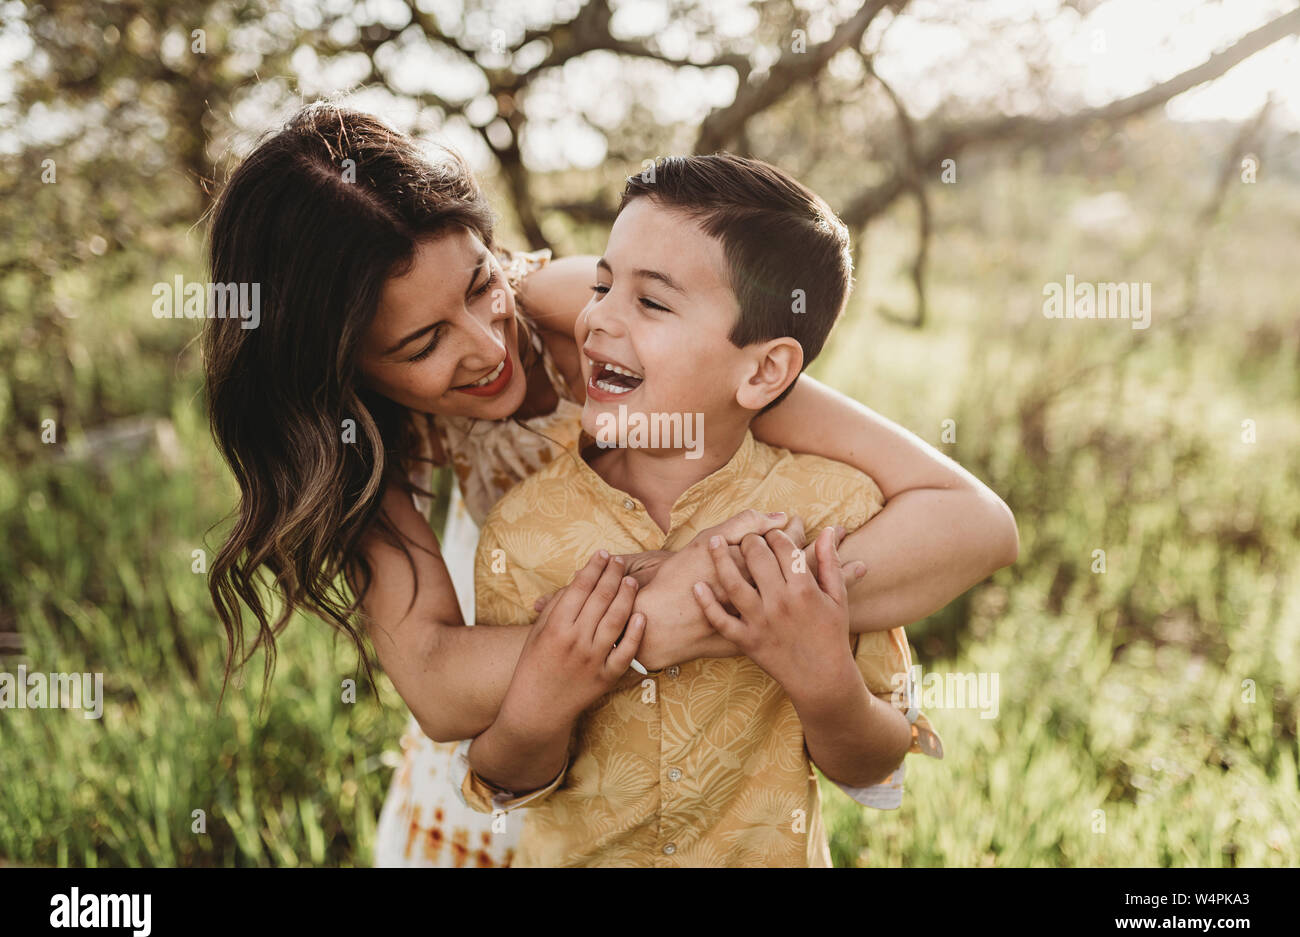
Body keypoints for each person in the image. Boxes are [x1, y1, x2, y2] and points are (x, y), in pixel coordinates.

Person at [201, 103, 1017, 867]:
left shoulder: (601, 316)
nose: (488, 345)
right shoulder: (359, 442)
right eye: (422, 346)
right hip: (526, 742)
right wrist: (669, 612)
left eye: (482, 285)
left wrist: (754, 596)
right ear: (344, 369)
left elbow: (971, 523)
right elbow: (441, 686)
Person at [462, 154, 949, 866]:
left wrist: (824, 681)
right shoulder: (522, 531)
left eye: (651, 302)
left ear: (762, 371)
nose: (596, 318)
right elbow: (504, 778)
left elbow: (872, 763)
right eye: (601, 285)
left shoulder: (836, 511)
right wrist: (545, 697)